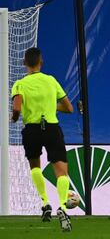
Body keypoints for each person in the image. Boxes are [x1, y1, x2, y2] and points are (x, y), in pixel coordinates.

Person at [11, 47, 74, 232]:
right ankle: (62, 207)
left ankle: (45, 202)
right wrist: (50, 107)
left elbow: (16, 108)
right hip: (52, 128)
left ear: (24, 64)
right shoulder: (51, 81)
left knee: (35, 166)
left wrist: (14, 118)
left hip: (31, 129)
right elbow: (68, 108)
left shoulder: (20, 84)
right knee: (61, 172)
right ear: (41, 62)